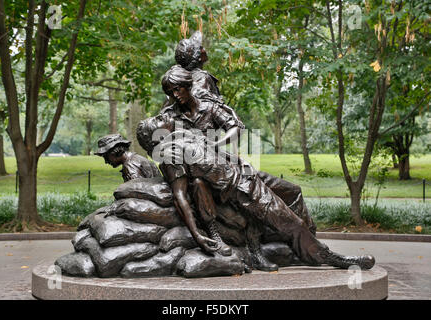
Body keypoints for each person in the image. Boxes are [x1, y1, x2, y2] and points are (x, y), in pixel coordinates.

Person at [136, 114, 375, 270]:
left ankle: (305, 242)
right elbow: (180, 196)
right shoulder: (168, 154)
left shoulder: (184, 133)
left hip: (248, 173)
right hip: (239, 187)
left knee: (293, 191)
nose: (163, 115)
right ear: (154, 137)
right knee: (290, 222)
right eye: (156, 120)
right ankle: (331, 257)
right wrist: (198, 235)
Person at [158, 65, 313, 270]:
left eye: (177, 89)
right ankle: (248, 248)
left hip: (224, 162)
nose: (174, 95)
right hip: (198, 174)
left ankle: (307, 242)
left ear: (187, 85)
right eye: (170, 92)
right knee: (212, 186)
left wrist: (216, 144)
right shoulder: (170, 116)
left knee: (287, 190)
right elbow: (162, 145)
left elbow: (236, 127)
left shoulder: (209, 106)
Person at [95, 133, 161, 182]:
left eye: (106, 157)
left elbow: (137, 191)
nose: (106, 162)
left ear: (115, 152)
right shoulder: (137, 158)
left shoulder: (130, 166)